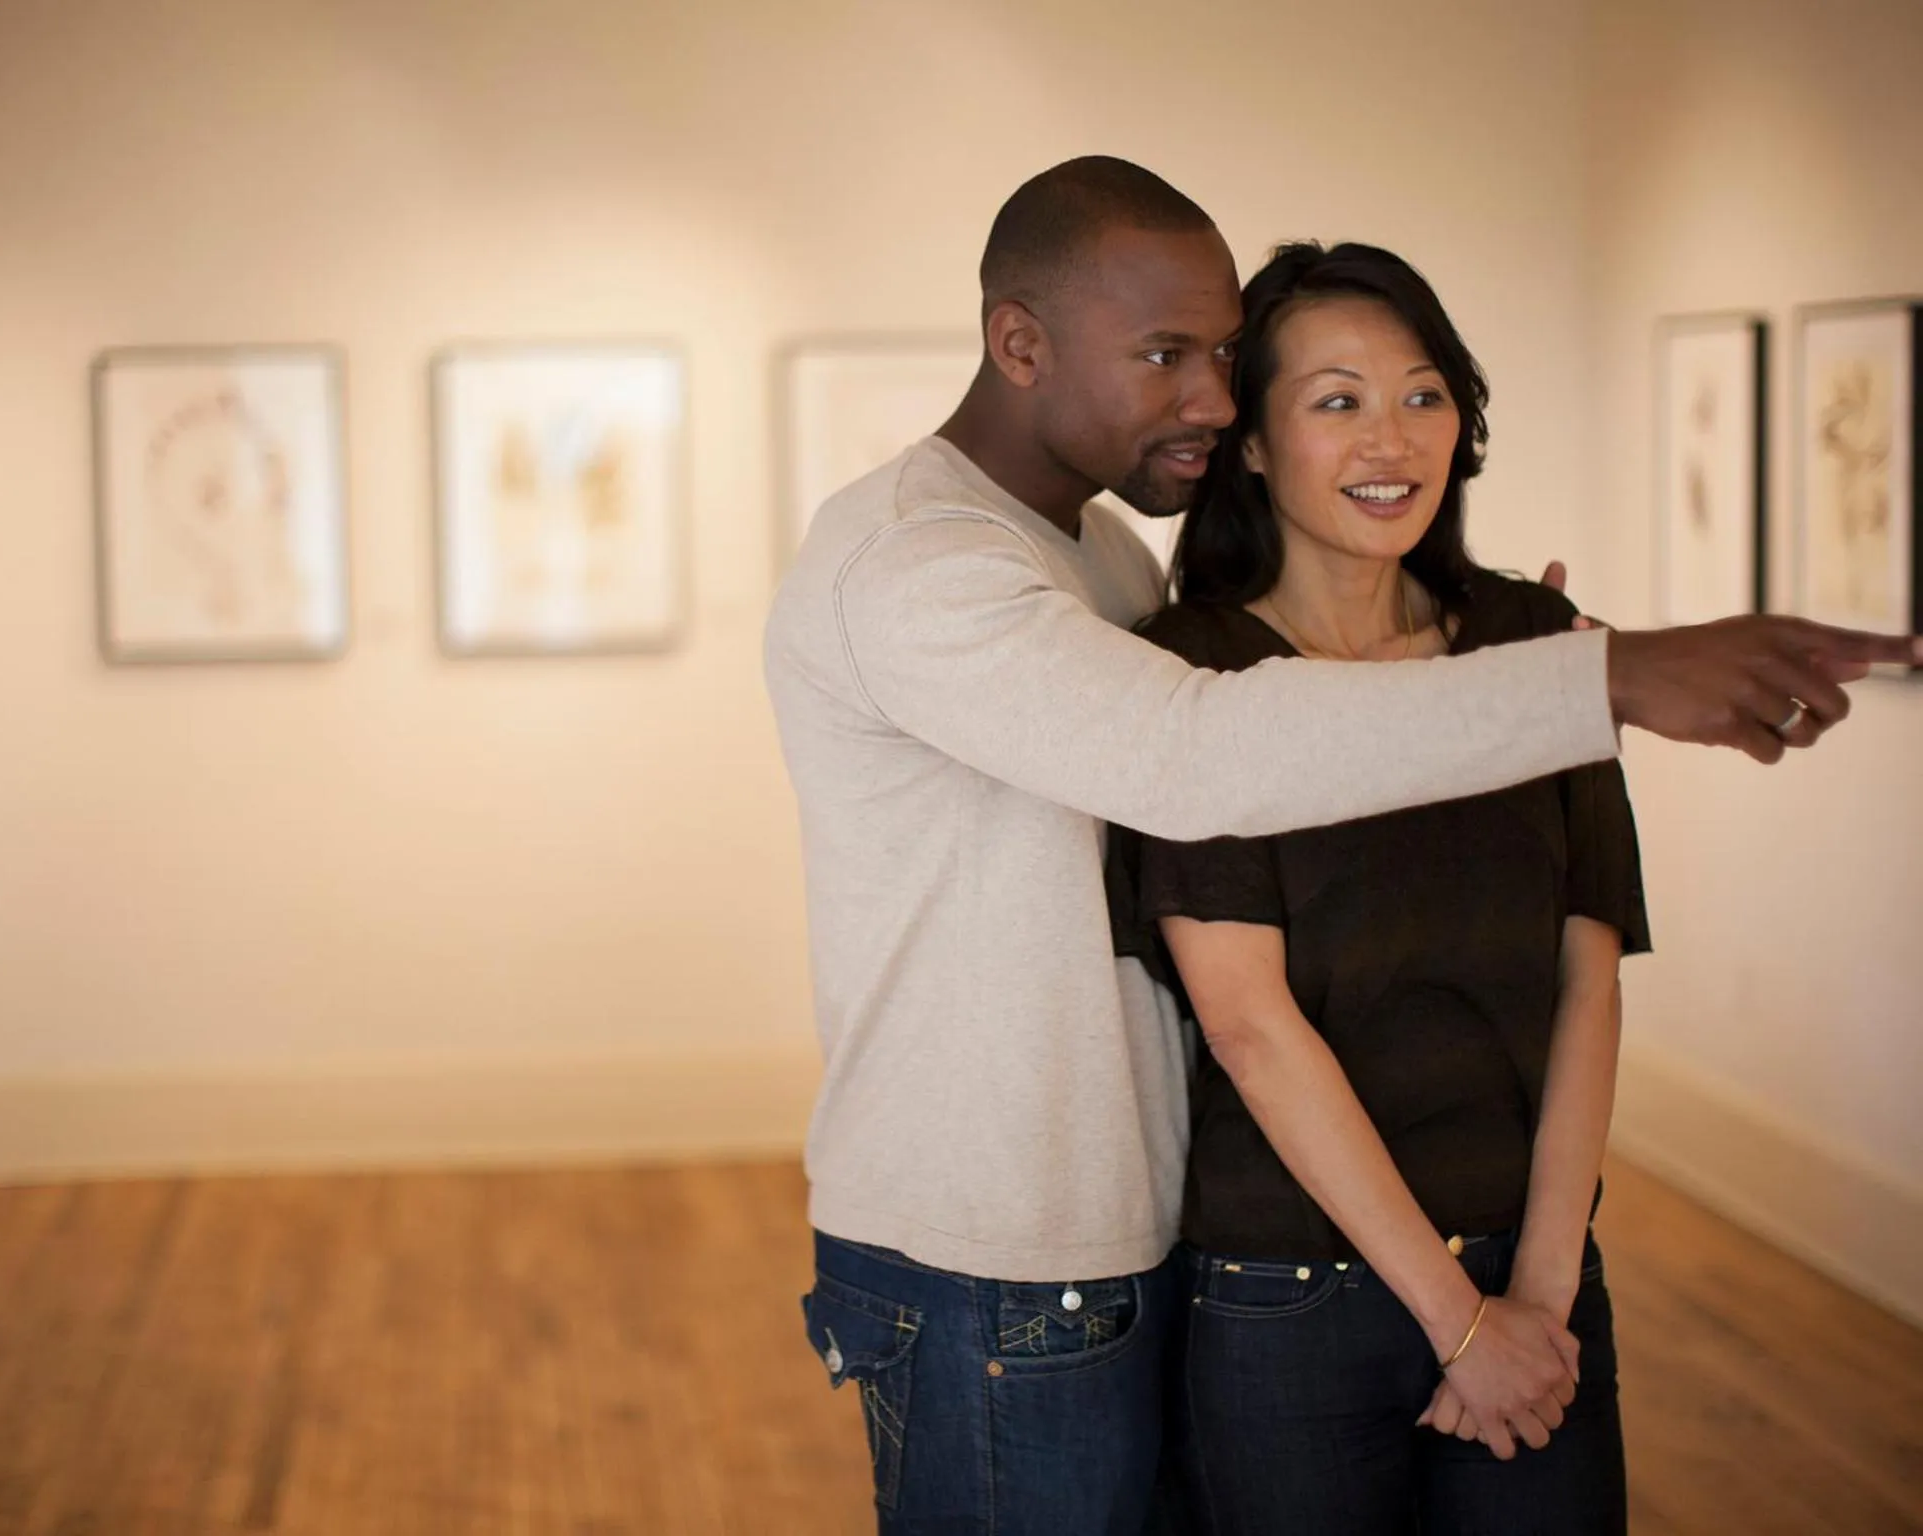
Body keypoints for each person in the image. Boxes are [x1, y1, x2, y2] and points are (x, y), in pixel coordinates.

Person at [762, 157, 1914, 1534]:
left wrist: (1517, 658)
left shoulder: (1103, 564)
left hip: (1116, 1237)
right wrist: (1592, 686)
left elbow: (1290, 754)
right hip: (992, 1268)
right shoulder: (922, 568)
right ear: (1022, 343)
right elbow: (1199, 757)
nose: (1207, 396)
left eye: (1226, 358)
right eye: (1166, 356)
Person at [1110, 239, 1658, 1534]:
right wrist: (1461, 1323)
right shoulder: (1192, 673)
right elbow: (1248, 1025)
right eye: (1337, 400)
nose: (1392, 439)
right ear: (1251, 442)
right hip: (1288, 1292)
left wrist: (1535, 1290)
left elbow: (1589, 975)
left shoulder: (1535, 645)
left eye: (1423, 394)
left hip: (1534, 1274)